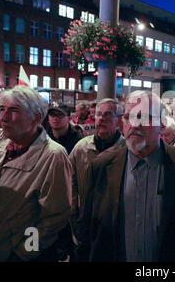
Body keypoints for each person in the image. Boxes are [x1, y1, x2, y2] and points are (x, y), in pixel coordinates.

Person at [78, 91, 175, 261]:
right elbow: (87, 230)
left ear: (162, 125)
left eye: (143, 116)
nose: (134, 124)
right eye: (129, 117)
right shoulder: (101, 166)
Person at [0, 86, 72, 262]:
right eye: (3, 109)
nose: (3, 117)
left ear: (36, 118)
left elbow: (53, 219)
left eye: (13, 110)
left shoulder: (53, 156)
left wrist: (23, 254)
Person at [70, 98, 126, 256]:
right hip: (85, 224)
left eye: (107, 115)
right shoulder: (81, 148)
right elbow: (70, 186)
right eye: (98, 114)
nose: (101, 119)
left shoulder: (127, 150)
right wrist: (75, 219)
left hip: (115, 228)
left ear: (119, 120)